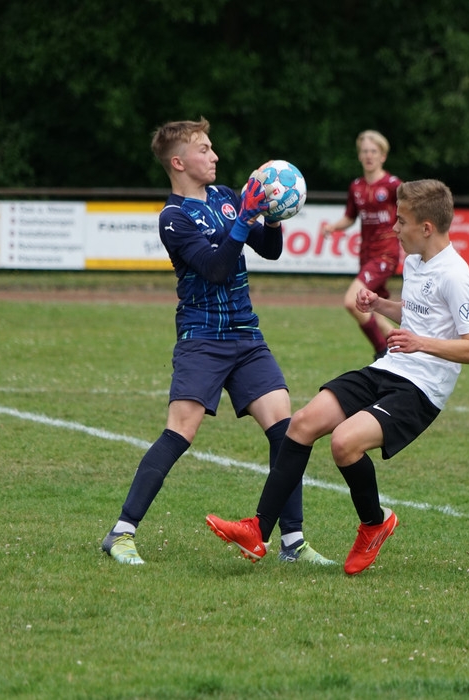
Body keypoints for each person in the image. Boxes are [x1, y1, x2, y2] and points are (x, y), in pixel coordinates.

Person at [206, 179, 469, 575]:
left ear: (426, 228)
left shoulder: (456, 274)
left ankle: (374, 524)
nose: (394, 229)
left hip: (422, 389)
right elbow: (418, 312)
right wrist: (381, 304)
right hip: (390, 367)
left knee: (344, 443)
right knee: (302, 423)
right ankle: (257, 530)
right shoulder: (415, 262)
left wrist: (420, 343)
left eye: (401, 221)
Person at [100, 118, 332, 566]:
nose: (215, 156)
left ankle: (293, 542)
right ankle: (121, 532)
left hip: (246, 335)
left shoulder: (226, 197)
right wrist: (244, 219)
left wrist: (271, 217)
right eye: (204, 149)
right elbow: (215, 268)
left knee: (287, 431)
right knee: (180, 432)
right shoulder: (173, 218)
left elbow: (270, 250)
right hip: (202, 338)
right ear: (178, 162)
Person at [320, 130, 402, 360]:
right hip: (366, 254)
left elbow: (411, 211)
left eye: (373, 151)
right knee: (376, 310)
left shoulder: (393, 185)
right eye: (365, 151)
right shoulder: (356, 187)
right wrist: (333, 227)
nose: (369, 155)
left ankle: (382, 351)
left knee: (352, 301)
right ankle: (405, 350)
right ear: (359, 155)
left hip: (386, 254)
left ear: (383, 156)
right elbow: (350, 217)